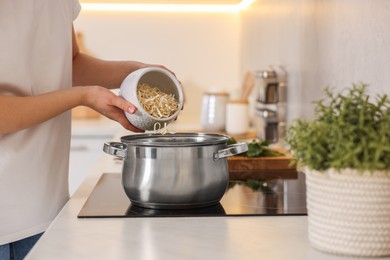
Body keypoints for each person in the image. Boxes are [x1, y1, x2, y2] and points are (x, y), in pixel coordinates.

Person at [0, 1, 177, 259]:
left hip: (49, 210)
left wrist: (133, 71)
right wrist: (83, 97)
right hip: (7, 224)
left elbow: (69, 62)